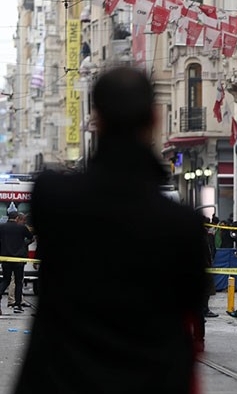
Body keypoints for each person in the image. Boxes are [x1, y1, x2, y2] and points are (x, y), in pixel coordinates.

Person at [13, 67, 208, 394]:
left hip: (63, 381)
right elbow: (192, 303)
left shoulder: (52, 197)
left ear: (96, 119)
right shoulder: (182, 224)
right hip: (150, 381)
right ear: (155, 119)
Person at [0, 211, 35, 315]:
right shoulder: (21, 228)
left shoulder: (2, 227)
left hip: (5, 258)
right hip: (19, 259)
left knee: (6, 280)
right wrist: (24, 245)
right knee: (18, 282)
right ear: (16, 218)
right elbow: (30, 238)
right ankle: (17, 305)